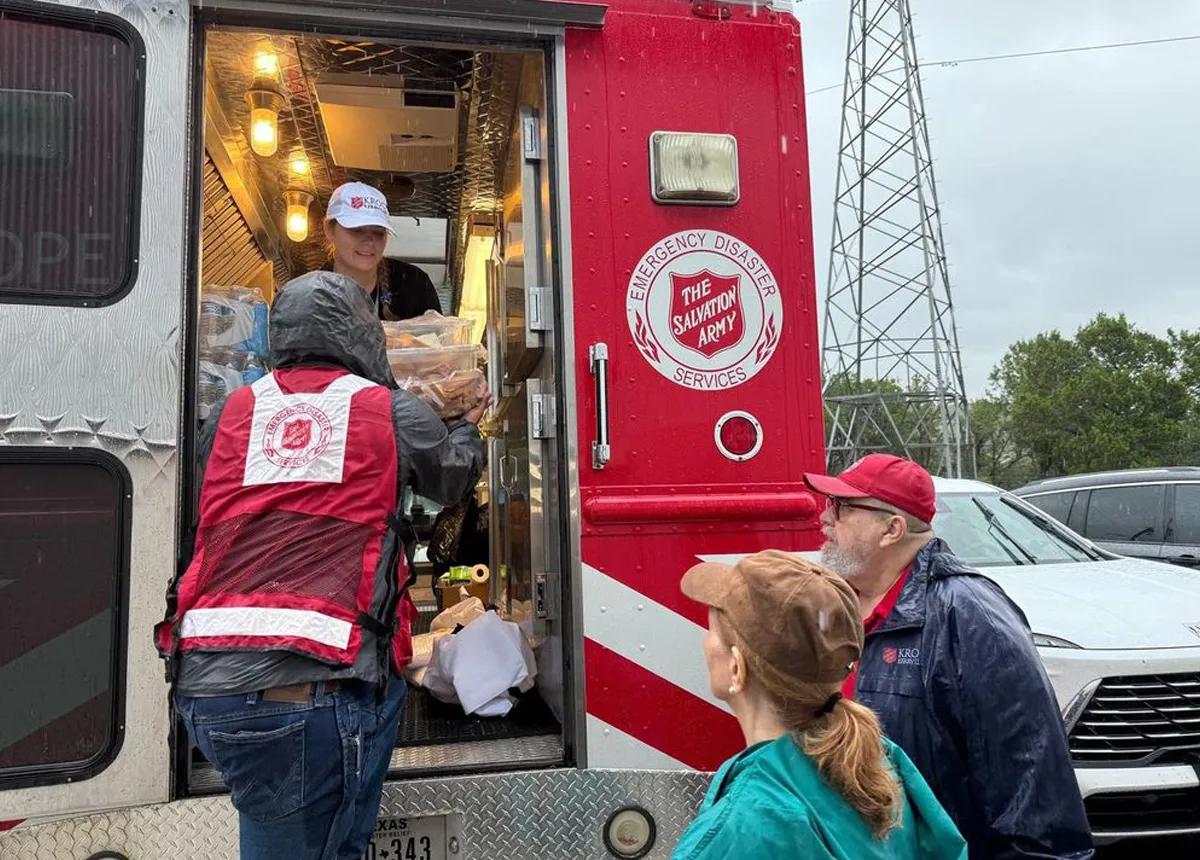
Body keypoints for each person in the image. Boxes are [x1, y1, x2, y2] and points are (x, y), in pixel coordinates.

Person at [156, 271, 489, 859]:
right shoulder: (386, 410)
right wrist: (466, 423)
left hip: (204, 683)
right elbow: (453, 476)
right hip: (304, 690)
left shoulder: (235, 409)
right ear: (364, 336)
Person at [803, 454, 1093, 860]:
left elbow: (1034, 795)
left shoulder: (971, 617)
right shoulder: (836, 607)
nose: (825, 518)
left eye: (843, 507)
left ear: (892, 529)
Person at [672, 550, 967, 860]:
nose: (706, 644)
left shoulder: (743, 827)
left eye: (713, 633)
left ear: (737, 667)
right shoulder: (878, 762)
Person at [323, 181, 442, 320]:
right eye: (356, 229)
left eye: (378, 232)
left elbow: (438, 338)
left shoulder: (414, 283)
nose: (369, 240)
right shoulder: (311, 294)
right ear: (329, 230)